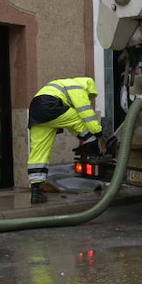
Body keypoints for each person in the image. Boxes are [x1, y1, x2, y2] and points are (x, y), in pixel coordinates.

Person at [27, 77, 103, 205]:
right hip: (50, 105)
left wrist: (80, 135)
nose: (89, 99)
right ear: (89, 89)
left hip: (36, 109)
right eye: (90, 97)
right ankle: (92, 146)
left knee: (38, 152)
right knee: (78, 117)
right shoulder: (79, 88)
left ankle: (36, 192)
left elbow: (70, 123)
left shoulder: (64, 85)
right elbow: (86, 114)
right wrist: (98, 132)